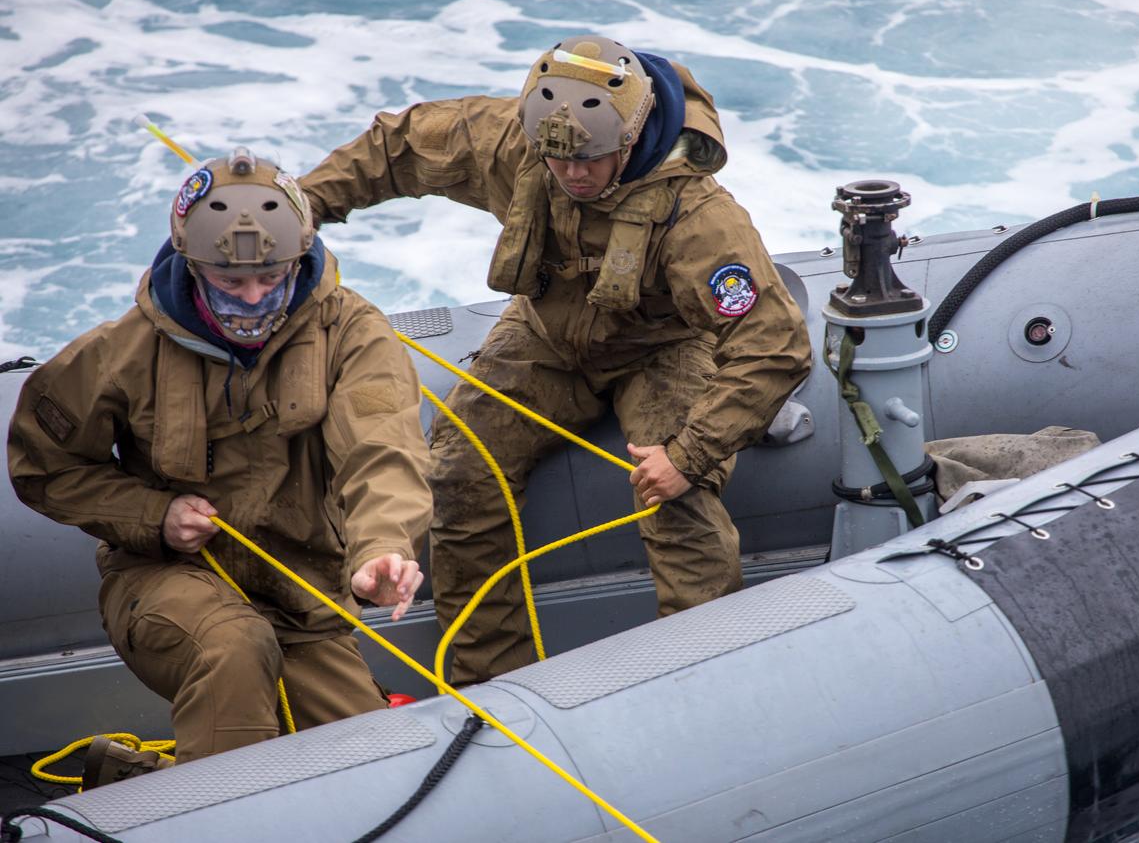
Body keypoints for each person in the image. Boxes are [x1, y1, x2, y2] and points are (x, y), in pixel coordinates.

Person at [301, 35, 812, 685]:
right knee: (460, 470)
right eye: (559, 158)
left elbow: (774, 343)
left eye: (592, 160)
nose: (574, 175)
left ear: (629, 140)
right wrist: (305, 208)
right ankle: (492, 683)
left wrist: (687, 455)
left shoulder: (700, 216)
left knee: (678, 505)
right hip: (546, 334)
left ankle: (712, 677)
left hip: (662, 346)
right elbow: (398, 145)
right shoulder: (515, 141)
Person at [8, 148, 433, 785]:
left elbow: (383, 449)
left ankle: (135, 779)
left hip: (301, 597)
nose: (254, 299)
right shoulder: (122, 351)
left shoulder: (353, 334)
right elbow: (43, 464)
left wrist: (382, 546)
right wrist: (153, 513)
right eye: (232, 284)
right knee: (233, 647)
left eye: (271, 278)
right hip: (163, 581)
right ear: (194, 266)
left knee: (377, 771)